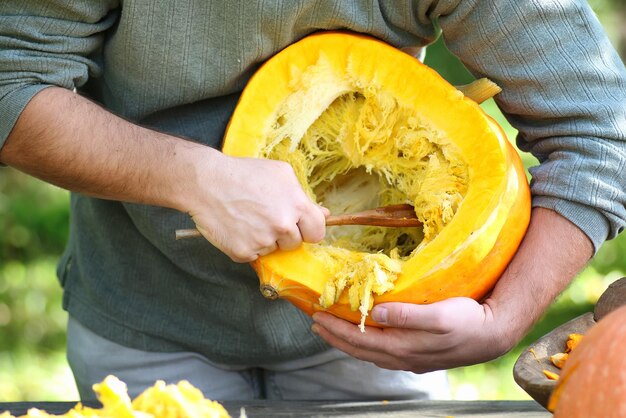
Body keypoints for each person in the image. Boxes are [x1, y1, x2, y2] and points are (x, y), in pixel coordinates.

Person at [1, 0, 624, 402]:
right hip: (146, 315)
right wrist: (193, 178)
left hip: (381, 335)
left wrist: (506, 319)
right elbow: (10, 82)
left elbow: (602, 132)